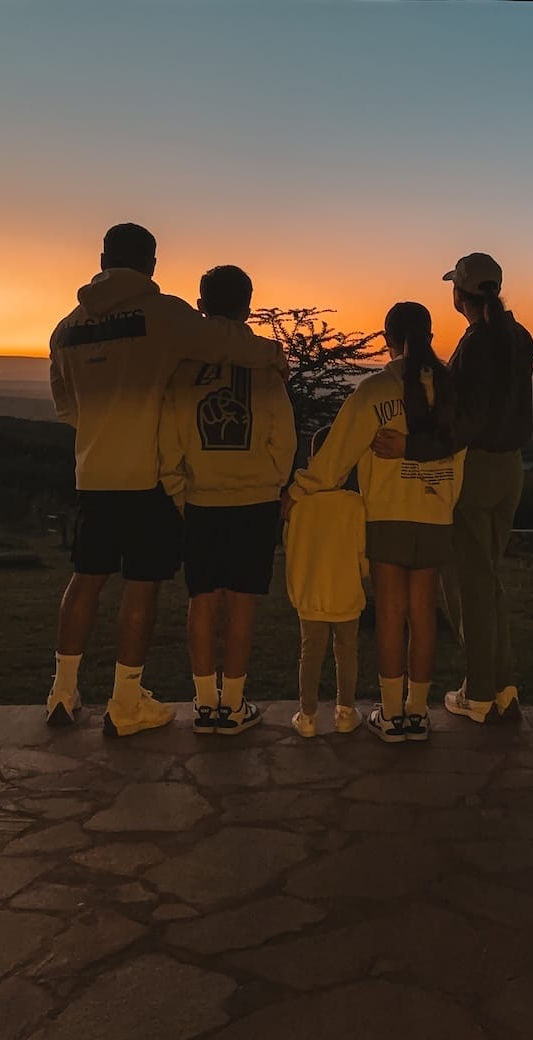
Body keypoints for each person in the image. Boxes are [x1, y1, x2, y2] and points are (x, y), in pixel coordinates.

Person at [46, 224, 287, 738]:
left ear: (102, 257)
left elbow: (66, 408)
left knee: (85, 578)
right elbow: (226, 340)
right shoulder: (163, 315)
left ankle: (62, 691)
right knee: (142, 586)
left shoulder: (65, 329)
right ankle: (125, 701)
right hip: (149, 475)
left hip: (93, 471)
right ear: (152, 264)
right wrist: (274, 358)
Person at [286, 302, 464, 743]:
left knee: (392, 613)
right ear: (430, 335)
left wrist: (297, 491)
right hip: (436, 513)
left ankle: (390, 713)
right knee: (423, 614)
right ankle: (416, 713)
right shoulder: (451, 390)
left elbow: (336, 456)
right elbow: (460, 455)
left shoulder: (372, 391)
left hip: (387, 513)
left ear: (387, 339)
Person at [374, 252, 533, 724]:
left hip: (477, 471)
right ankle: (502, 685)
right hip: (511, 471)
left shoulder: (478, 344)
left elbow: (466, 422)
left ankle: (480, 693)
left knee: (467, 583)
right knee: (488, 578)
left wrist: (411, 447)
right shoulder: (516, 336)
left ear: (457, 294)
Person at [159, 265, 297, 735]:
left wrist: (182, 495)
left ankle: (204, 705)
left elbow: (169, 445)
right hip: (255, 501)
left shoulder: (182, 371)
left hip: (201, 500)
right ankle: (233, 705)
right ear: (248, 307)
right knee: (242, 603)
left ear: (200, 306)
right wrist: (272, 485)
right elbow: (285, 439)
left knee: (201, 601)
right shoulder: (266, 367)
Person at [284, 425, 367, 738]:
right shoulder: (355, 505)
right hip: (345, 593)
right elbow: (363, 553)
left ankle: (307, 716)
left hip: (310, 594)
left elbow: (291, 550)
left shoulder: (298, 506)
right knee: (347, 652)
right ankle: (345, 711)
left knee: (310, 654)